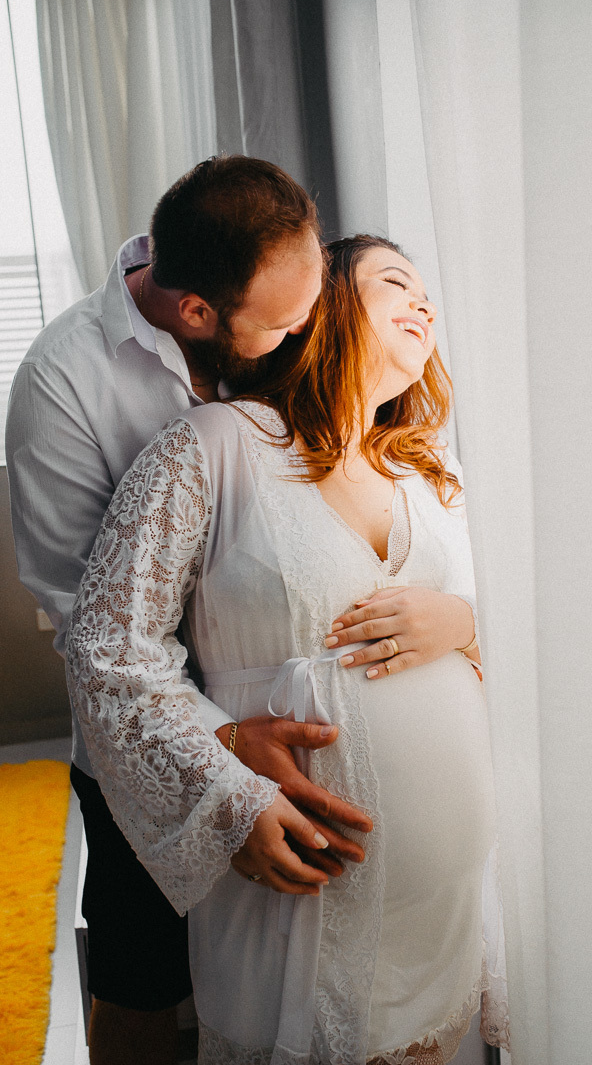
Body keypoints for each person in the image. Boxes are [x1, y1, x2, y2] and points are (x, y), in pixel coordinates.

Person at [66, 235, 511, 1063]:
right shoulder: (216, 445)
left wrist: (463, 620)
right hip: (299, 876)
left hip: (443, 905)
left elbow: (531, 622)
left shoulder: (430, 473)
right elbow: (110, 648)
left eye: (426, 292)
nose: (424, 302)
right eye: (395, 282)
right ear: (320, 305)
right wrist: (227, 794)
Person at [5, 156, 375, 1065]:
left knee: (288, 975)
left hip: (302, 714)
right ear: (199, 312)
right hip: (146, 740)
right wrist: (220, 742)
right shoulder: (63, 381)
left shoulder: (280, 298)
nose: (306, 330)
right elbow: (89, 623)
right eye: (281, 324)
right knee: (142, 983)